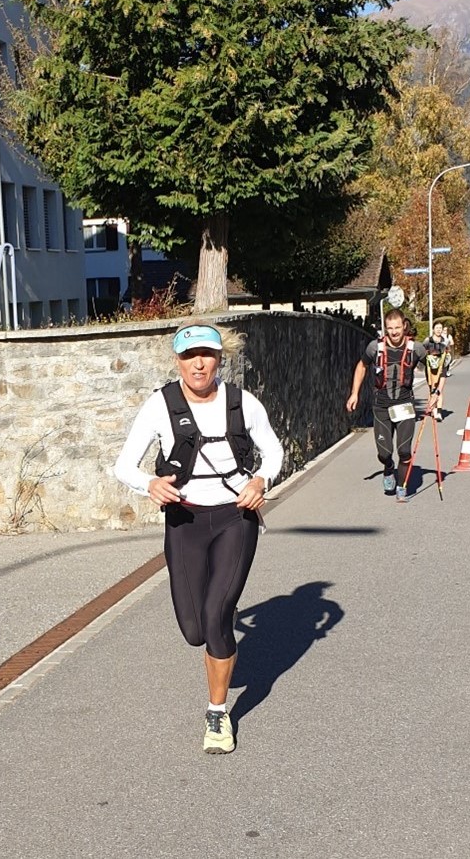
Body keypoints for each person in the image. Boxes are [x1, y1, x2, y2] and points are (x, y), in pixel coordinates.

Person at [114, 323, 283, 755]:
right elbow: (124, 466)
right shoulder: (160, 405)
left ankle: (217, 713)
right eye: (190, 356)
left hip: (235, 517)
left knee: (216, 616)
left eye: (206, 355)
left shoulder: (242, 403)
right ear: (177, 361)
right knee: (193, 630)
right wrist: (149, 484)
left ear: (219, 359)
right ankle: (219, 611)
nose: (199, 364)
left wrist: (261, 479)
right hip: (185, 521)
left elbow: (275, 451)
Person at [346, 309, 434, 502]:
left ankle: (402, 488)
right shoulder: (375, 347)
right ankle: (388, 468)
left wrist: (434, 392)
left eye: (397, 328)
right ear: (386, 328)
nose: (394, 332)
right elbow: (362, 366)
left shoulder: (415, 348)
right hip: (381, 406)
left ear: (404, 326)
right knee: (384, 453)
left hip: (404, 405)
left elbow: (431, 367)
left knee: (404, 451)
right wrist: (354, 393)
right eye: (390, 328)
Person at [423, 322, 448, 420]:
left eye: (440, 328)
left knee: (439, 390)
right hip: (431, 368)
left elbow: (448, 351)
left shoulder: (445, 341)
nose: (438, 330)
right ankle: (433, 409)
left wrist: (447, 359)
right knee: (432, 389)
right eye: (437, 328)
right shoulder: (427, 340)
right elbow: (422, 352)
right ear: (433, 329)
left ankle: (439, 412)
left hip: (442, 366)